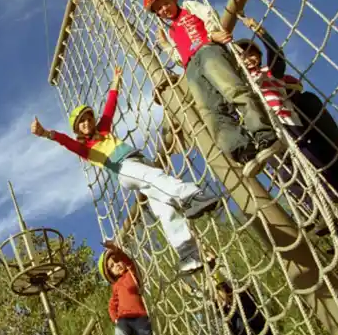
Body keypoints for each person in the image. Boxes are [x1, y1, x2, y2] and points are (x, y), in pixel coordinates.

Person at [31, 66, 219, 274]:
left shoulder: (103, 129)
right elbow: (65, 141)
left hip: (139, 160)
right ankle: (192, 194)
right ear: (77, 129)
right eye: (81, 122)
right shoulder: (85, 149)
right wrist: (46, 133)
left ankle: (189, 254)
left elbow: (110, 105)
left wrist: (116, 80)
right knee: (154, 177)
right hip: (122, 168)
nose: (86, 123)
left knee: (165, 208)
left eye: (88, 118)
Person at [234, 16, 338, 232]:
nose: (248, 59)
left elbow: (277, 58)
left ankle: (335, 202)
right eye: (242, 56)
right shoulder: (239, 84)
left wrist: (260, 31)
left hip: (286, 120)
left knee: (312, 161)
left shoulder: (267, 73)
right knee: (286, 173)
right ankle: (316, 211)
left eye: (251, 54)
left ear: (258, 57)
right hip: (267, 133)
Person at [143, 0, 282, 165]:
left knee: (233, 90)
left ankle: (264, 134)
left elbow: (208, 14)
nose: (163, 9)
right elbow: (179, 56)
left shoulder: (189, 8)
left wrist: (212, 34)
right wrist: (166, 46)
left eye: (165, 3)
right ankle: (242, 150)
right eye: (158, 9)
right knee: (210, 111)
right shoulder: (171, 31)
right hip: (191, 66)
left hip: (207, 50)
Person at [99, 241, 155, 335]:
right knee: (119, 334)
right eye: (112, 266)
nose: (116, 265)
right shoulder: (116, 286)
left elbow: (129, 262)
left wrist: (117, 251)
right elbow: (111, 305)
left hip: (140, 316)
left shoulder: (132, 274)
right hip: (124, 319)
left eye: (117, 260)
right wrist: (115, 319)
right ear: (110, 273)